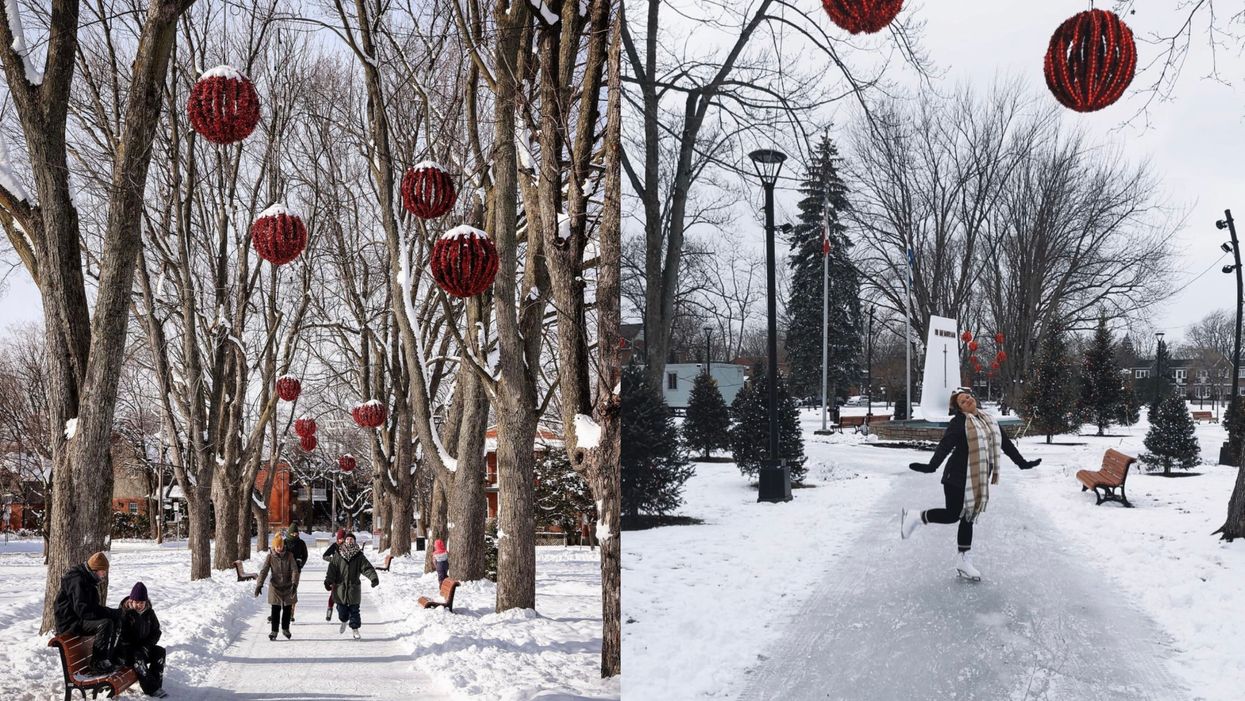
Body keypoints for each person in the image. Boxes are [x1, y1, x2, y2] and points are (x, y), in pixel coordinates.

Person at [900, 388, 1041, 581]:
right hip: (955, 477)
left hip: (976, 479)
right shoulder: (959, 423)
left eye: (968, 397)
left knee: (968, 518)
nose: (967, 400)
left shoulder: (988, 420)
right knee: (952, 515)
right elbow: (945, 445)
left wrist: (1022, 463)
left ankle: (963, 560)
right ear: (959, 408)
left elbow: (1005, 444)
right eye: (962, 401)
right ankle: (915, 516)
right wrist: (932, 466)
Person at [53, 551, 121, 674]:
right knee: (105, 624)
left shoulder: (87, 579)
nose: (104, 575)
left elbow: (91, 608)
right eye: (103, 571)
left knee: (115, 620)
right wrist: (110, 612)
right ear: (95, 570)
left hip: (78, 619)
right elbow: (84, 611)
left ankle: (110, 658)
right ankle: (97, 662)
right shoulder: (77, 581)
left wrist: (114, 614)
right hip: (70, 623)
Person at [115, 582, 167, 698]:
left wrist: (146, 646)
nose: (139, 605)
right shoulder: (124, 614)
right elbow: (122, 637)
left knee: (159, 652)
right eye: (137, 602)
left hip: (143, 648)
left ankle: (156, 685)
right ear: (131, 601)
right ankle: (151, 689)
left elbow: (156, 631)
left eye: (142, 602)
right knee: (138, 656)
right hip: (126, 652)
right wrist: (136, 648)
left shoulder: (149, 613)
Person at [324, 532, 379, 640]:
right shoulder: (338, 555)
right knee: (342, 612)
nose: (350, 541)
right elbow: (331, 570)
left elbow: (366, 568)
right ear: (344, 541)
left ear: (354, 541)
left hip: (353, 588)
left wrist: (373, 578)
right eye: (348, 539)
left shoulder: (359, 556)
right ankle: (344, 621)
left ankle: (355, 629)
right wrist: (328, 581)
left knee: (354, 610)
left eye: (352, 539)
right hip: (340, 588)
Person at [255, 533, 300, 640]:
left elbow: (294, 570)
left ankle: (285, 629)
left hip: (289, 586)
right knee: (275, 609)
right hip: (275, 587)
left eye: (280, 546)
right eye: (277, 546)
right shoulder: (270, 557)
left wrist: (294, 584)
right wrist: (259, 584)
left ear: (283, 545)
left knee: (287, 609)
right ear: (274, 547)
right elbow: (264, 571)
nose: (279, 548)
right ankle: (274, 631)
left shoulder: (289, 556)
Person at [285, 522, 308, 622]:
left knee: (293, 589)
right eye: (293, 533)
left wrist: (301, 563)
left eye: (296, 533)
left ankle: (291, 613)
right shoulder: (284, 542)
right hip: (285, 570)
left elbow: (305, 555)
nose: (295, 535)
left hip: (297, 571)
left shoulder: (301, 543)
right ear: (289, 533)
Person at [322, 529, 345, 621]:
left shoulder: (349, 547)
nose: (341, 541)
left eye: (343, 539)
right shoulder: (334, 546)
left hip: (345, 574)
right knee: (333, 594)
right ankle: (329, 609)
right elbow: (324, 556)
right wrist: (332, 560)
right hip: (335, 573)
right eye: (340, 539)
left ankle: (342, 612)